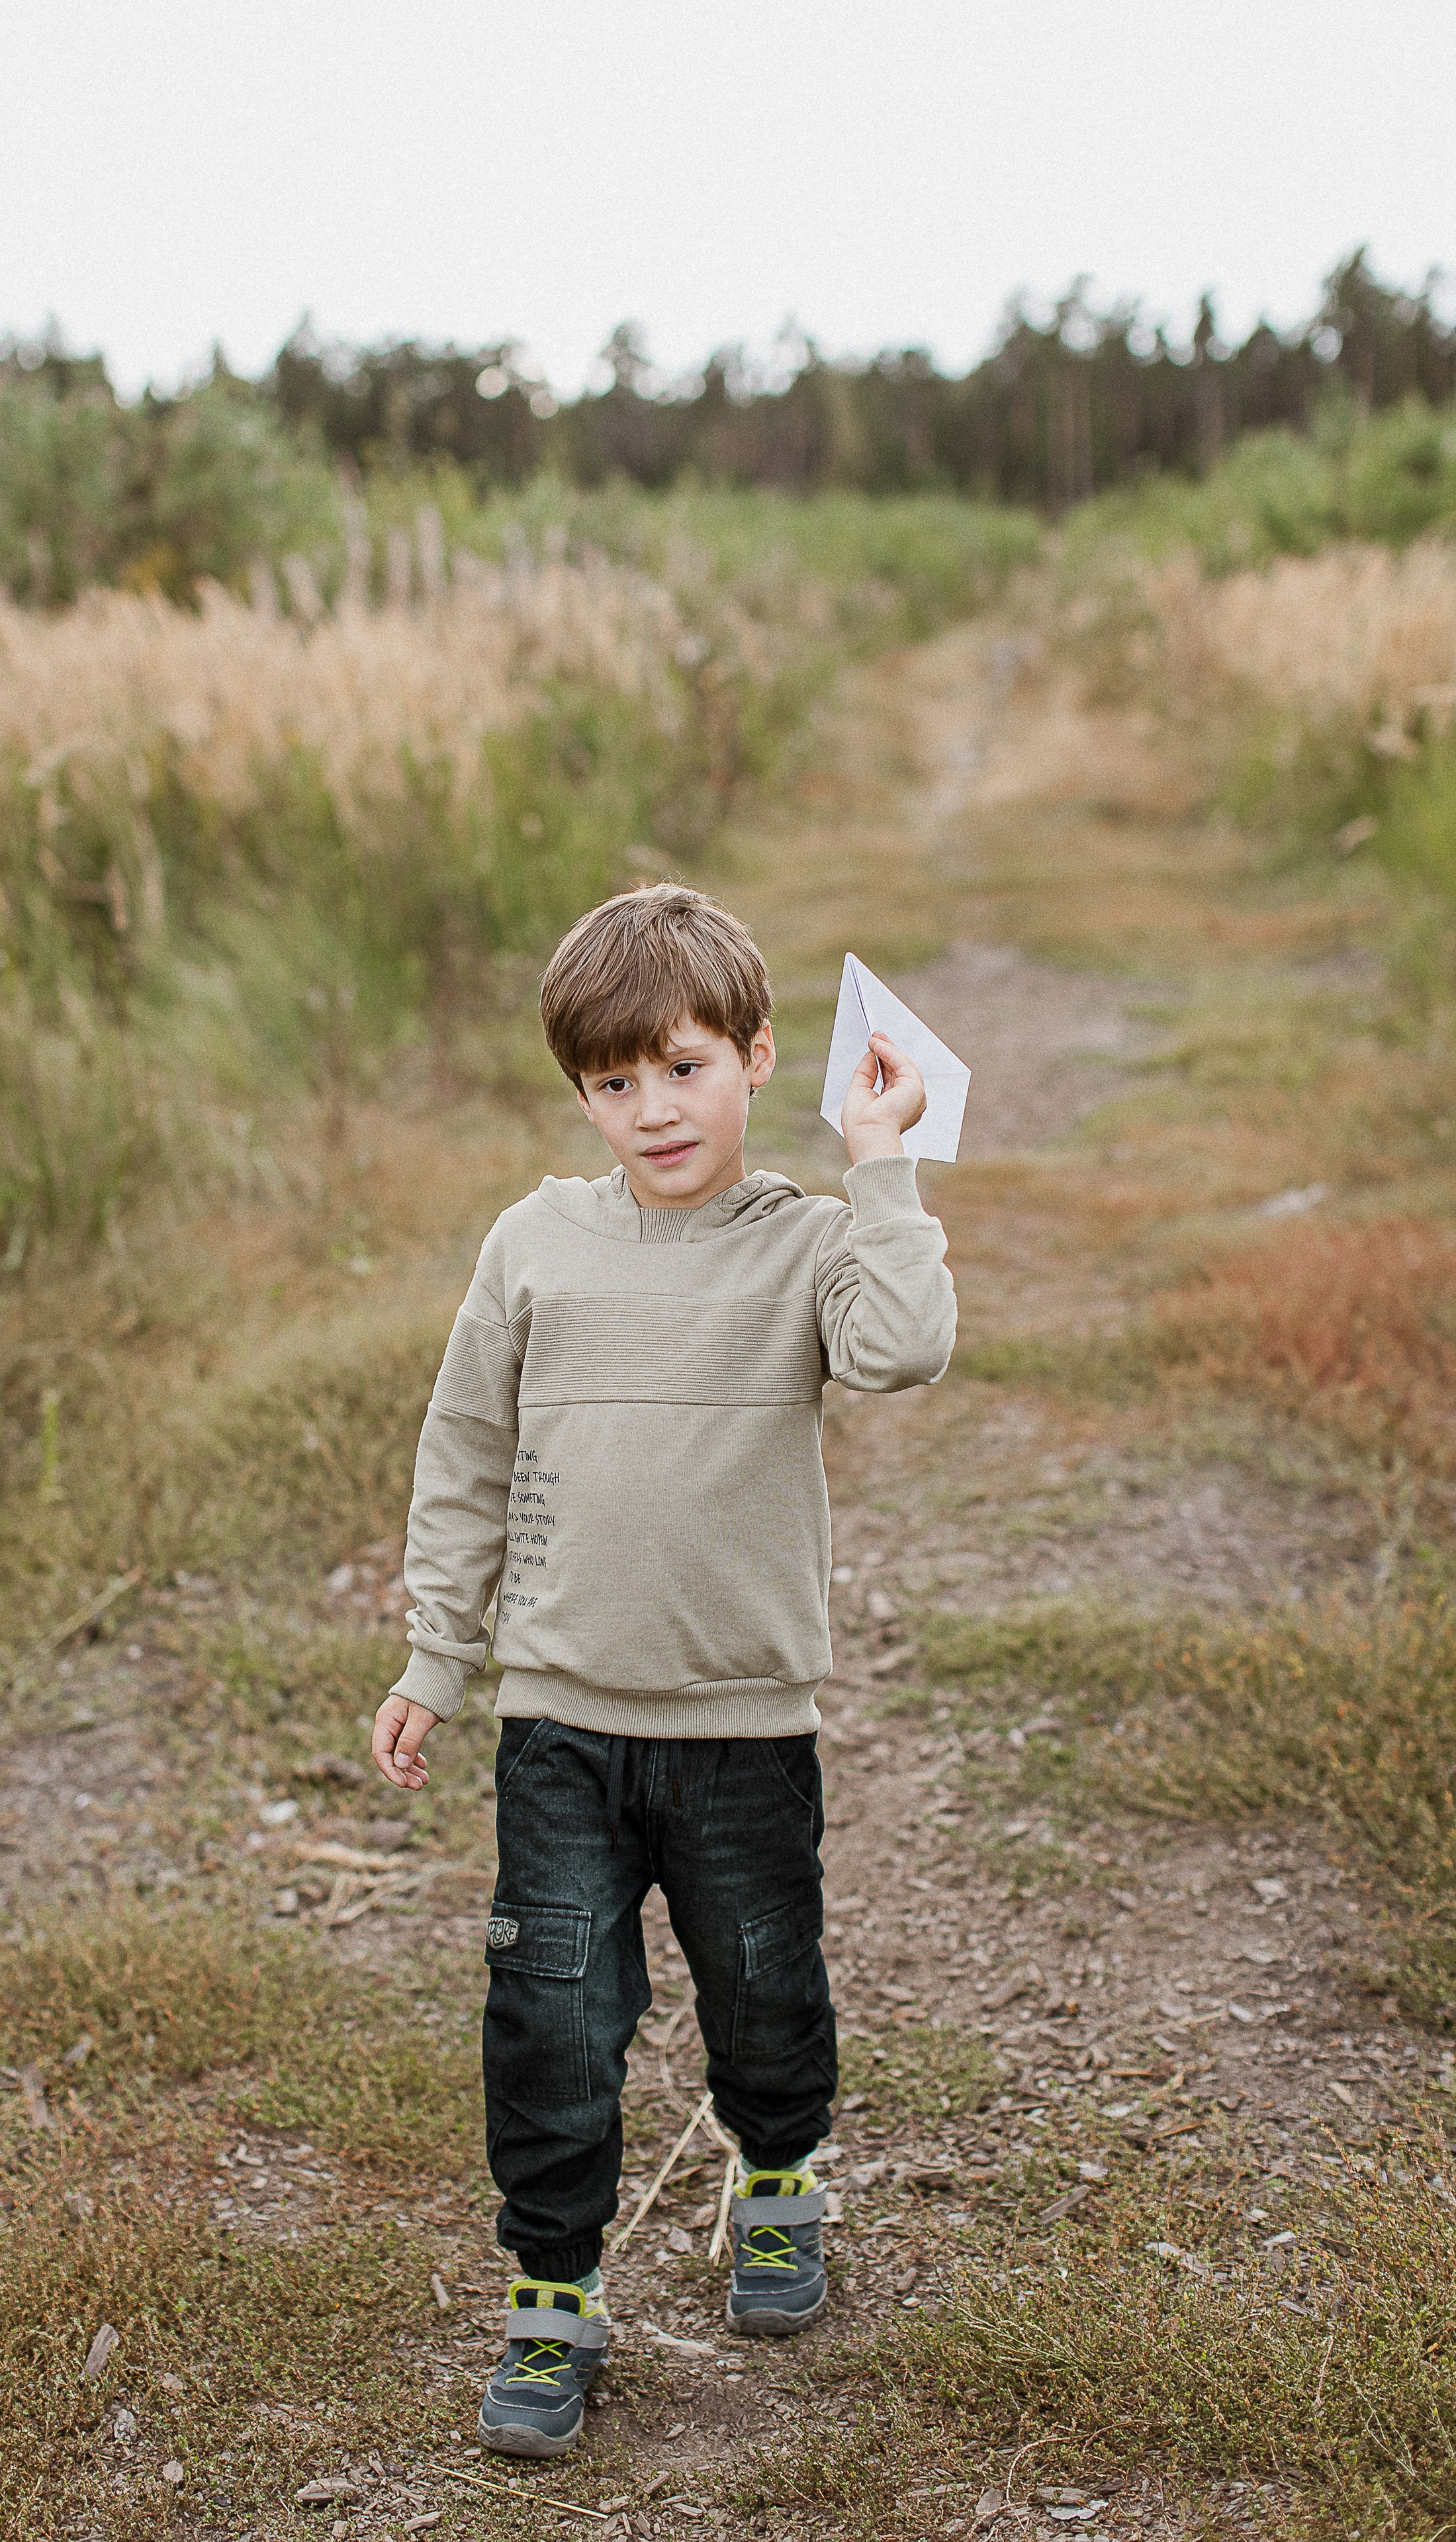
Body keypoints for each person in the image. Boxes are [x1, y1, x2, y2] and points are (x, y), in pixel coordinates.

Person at [371, 882, 956, 2458]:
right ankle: (550, 2295)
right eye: (613, 1084)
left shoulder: (810, 1247)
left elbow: (903, 1347)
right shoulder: (534, 1245)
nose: (652, 1110)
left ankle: (776, 2176)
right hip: (559, 1722)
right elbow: (466, 1451)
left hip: (739, 1726)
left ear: (759, 1057)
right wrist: (439, 1651)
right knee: (551, 2018)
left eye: (685, 1068)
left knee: (762, 1990)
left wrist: (881, 1164)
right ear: (580, 1095)